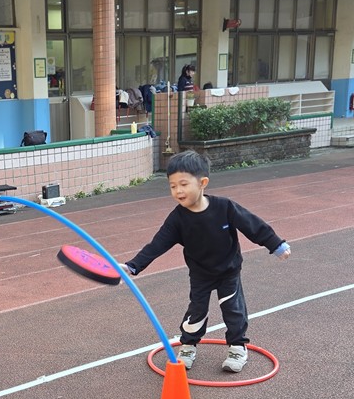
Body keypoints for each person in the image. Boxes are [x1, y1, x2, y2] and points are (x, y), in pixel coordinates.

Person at [121, 150, 290, 372]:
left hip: (228, 271)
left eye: (183, 184)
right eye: (173, 186)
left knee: (233, 309)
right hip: (200, 273)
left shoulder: (224, 207)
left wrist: (275, 244)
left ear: (202, 183)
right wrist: (132, 266)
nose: (178, 191)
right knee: (196, 310)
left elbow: (252, 225)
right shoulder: (177, 218)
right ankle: (188, 345)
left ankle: (238, 347)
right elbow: (157, 244)